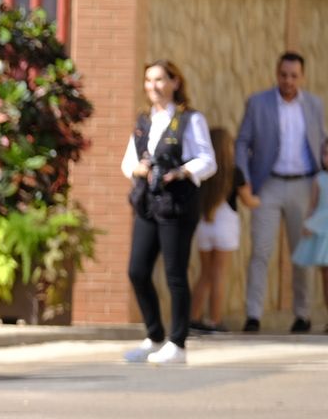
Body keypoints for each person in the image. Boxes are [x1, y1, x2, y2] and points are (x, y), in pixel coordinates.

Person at [122, 60, 217, 365]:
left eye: (160, 79)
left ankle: (178, 343)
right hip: (148, 203)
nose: (154, 86)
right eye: (149, 80)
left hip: (177, 205)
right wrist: (138, 169)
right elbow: (128, 162)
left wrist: (181, 172)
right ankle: (154, 336)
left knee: (175, 274)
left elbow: (208, 160)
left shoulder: (190, 119)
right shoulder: (144, 120)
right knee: (137, 270)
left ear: (175, 82)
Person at [236, 52, 326, 333]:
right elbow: (242, 143)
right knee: (261, 250)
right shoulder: (258, 102)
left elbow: (322, 143)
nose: (288, 81)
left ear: (302, 77)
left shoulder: (313, 104)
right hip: (268, 184)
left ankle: (302, 315)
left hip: (304, 186)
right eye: (283, 75)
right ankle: (253, 315)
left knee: (302, 254)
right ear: (277, 74)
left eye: (294, 76)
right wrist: (245, 180)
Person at [190, 127, 256, 333]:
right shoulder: (235, 172)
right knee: (219, 274)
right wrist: (259, 199)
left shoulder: (203, 172)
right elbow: (248, 201)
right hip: (225, 226)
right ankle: (215, 321)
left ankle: (192, 319)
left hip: (204, 225)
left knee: (205, 274)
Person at [290, 139, 328, 331]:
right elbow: (313, 205)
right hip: (322, 233)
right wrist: (307, 222)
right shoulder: (319, 179)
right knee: (325, 276)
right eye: (325, 154)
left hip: (323, 226)